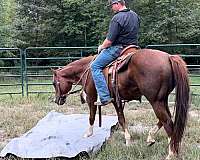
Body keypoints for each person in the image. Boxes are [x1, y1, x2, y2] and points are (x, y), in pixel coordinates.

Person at [90, 0, 140, 106]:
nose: (111, 8)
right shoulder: (135, 15)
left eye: (112, 5)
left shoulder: (117, 18)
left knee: (95, 66)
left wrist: (101, 47)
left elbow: (109, 41)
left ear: (117, 4)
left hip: (118, 49)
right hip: (133, 48)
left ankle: (104, 97)